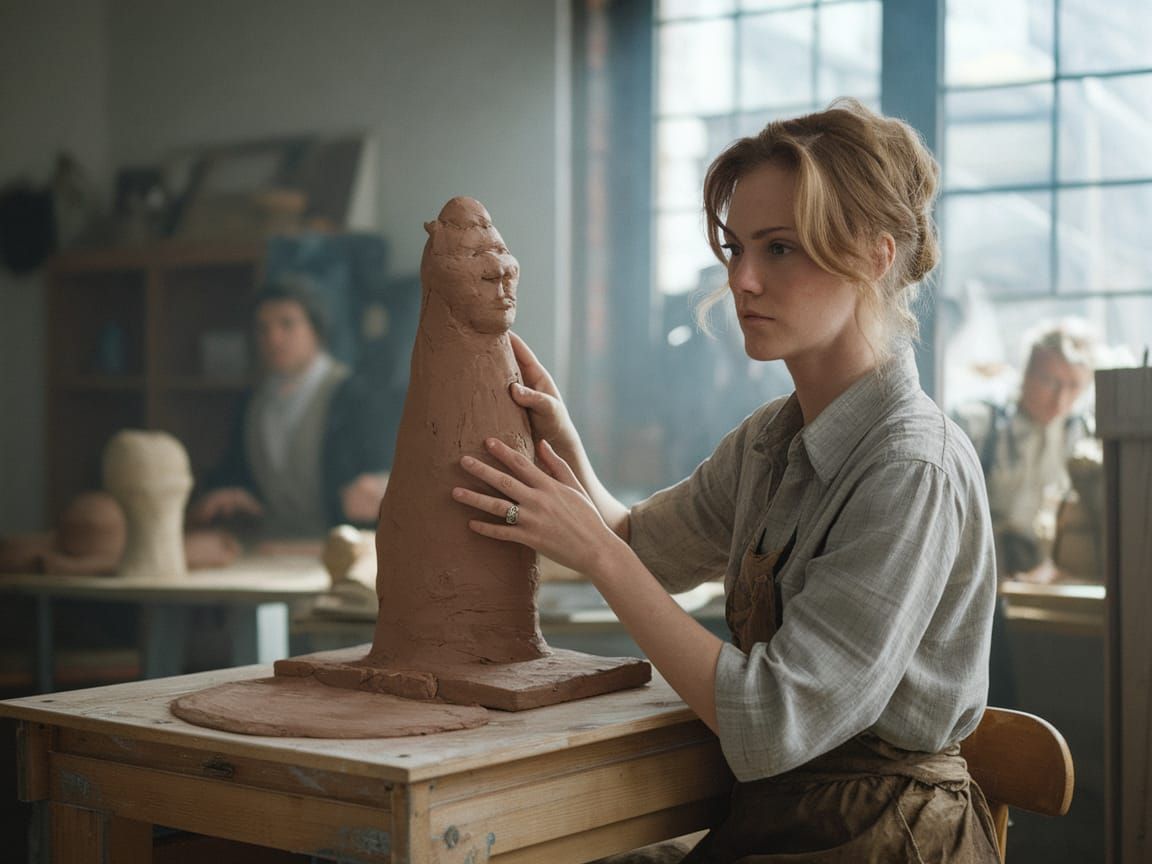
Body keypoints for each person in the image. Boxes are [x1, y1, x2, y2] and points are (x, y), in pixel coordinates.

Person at [452, 99, 999, 861]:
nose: (741, 279)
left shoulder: (908, 465)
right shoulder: (772, 440)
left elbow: (772, 721)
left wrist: (601, 558)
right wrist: (568, 455)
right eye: (735, 247)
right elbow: (645, 548)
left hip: (883, 836)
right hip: (782, 819)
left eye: (780, 249)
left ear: (876, 256)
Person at [191, 276, 396, 538]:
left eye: (287, 324)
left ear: (316, 330)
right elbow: (238, 473)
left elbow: (386, 472)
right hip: (273, 549)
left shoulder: (356, 396)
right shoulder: (252, 404)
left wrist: (381, 487)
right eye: (263, 329)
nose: (274, 338)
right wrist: (231, 492)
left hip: (343, 550)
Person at [951, 319, 1096, 579]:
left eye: (1074, 386)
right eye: (1050, 381)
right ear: (1026, 372)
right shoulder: (979, 424)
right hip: (976, 571)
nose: (1060, 400)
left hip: (1043, 578)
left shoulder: (1081, 435)